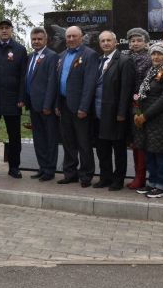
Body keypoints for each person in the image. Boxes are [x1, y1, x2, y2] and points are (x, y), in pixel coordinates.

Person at [47, 26, 99, 187]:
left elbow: (90, 84)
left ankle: (86, 175)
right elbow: (57, 82)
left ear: (81, 37)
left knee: (83, 143)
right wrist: (56, 104)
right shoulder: (61, 56)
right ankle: (70, 173)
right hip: (63, 104)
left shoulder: (90, 55)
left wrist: (83, 107)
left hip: (80, 108)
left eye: (74, 36)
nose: (70, 39)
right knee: (68, 143)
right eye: (68, 36)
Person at [133, 42, 163, 198]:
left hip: (160, 119)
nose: (156, 56)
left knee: (160, 153)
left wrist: (146, 115)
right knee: (149, 152)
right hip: (146, 119)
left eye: (160, 54)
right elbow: (141, 94)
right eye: (153, 53)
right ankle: (152, 183)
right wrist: (137, 112)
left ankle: (162, 187)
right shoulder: (151, 71)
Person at [0, 19, 28, 178]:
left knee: (14, 135)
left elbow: (23, 76)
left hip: (13, 99)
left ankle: (14, 166)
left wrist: (21, 97)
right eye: (1, 28)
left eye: (7, 28)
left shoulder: (20, 49)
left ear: (11, 30)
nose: (4, 31)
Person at [93, 31, 135, 191]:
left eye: (108, 40)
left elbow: (126, 89)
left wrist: (122, 113)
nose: (105, 43)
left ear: (115, 42)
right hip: (98, 113)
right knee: (102, 149)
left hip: (116, 114)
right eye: (102, 41)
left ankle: (118, 180)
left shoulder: (124, 61)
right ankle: (105, 177)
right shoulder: (98, 60)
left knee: (118, 150)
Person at [23, 27, 58, 182]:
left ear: (46, 40)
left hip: (46, 106)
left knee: (49, 139)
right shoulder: (30, 56)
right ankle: (42, 167)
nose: (36, 41)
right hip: (33, 105)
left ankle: (50, 170)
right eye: (34, 39)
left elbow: (52, 82)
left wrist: (48, 104)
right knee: (38, 139)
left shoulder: (52, 56)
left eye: (39, 39)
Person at [125, 28, 151, 189]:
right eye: (132, 41)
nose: (135, 43)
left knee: (141, 142)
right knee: (134, 142)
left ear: (146, 42)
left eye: (139, 40)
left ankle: (141, 177)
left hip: (142, 105)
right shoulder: (125, 57)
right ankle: (137, 175)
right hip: (127, 104)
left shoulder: (149, 59)